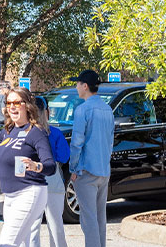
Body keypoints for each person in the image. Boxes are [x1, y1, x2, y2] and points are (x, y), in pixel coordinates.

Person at [0, 88, 56, 247]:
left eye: (17, 103)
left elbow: (50, 166)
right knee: (21, 243)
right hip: (9, 196)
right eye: (9, 103)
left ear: (27, 106)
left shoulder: (36, 132)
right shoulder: (8, 131)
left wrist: (36, 165)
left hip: (29, 192)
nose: (12, 106)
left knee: (7, 243)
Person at [68, 70, 114, 247]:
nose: (76, 86)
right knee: (100, 218)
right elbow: (110, 142)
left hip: (86, 171)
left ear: (85, 86)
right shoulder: (107, 109)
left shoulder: (83, 110)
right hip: (103, 170)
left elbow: (77, 143)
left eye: (78, 83)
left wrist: (73, 169)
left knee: (89, 220)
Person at [29, 96, 69, 247]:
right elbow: (64, 157)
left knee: (33, 227)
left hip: (32, 180)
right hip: (53, 180)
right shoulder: (55, 133)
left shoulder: (26, 132)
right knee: (56, 226)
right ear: (47, 111)